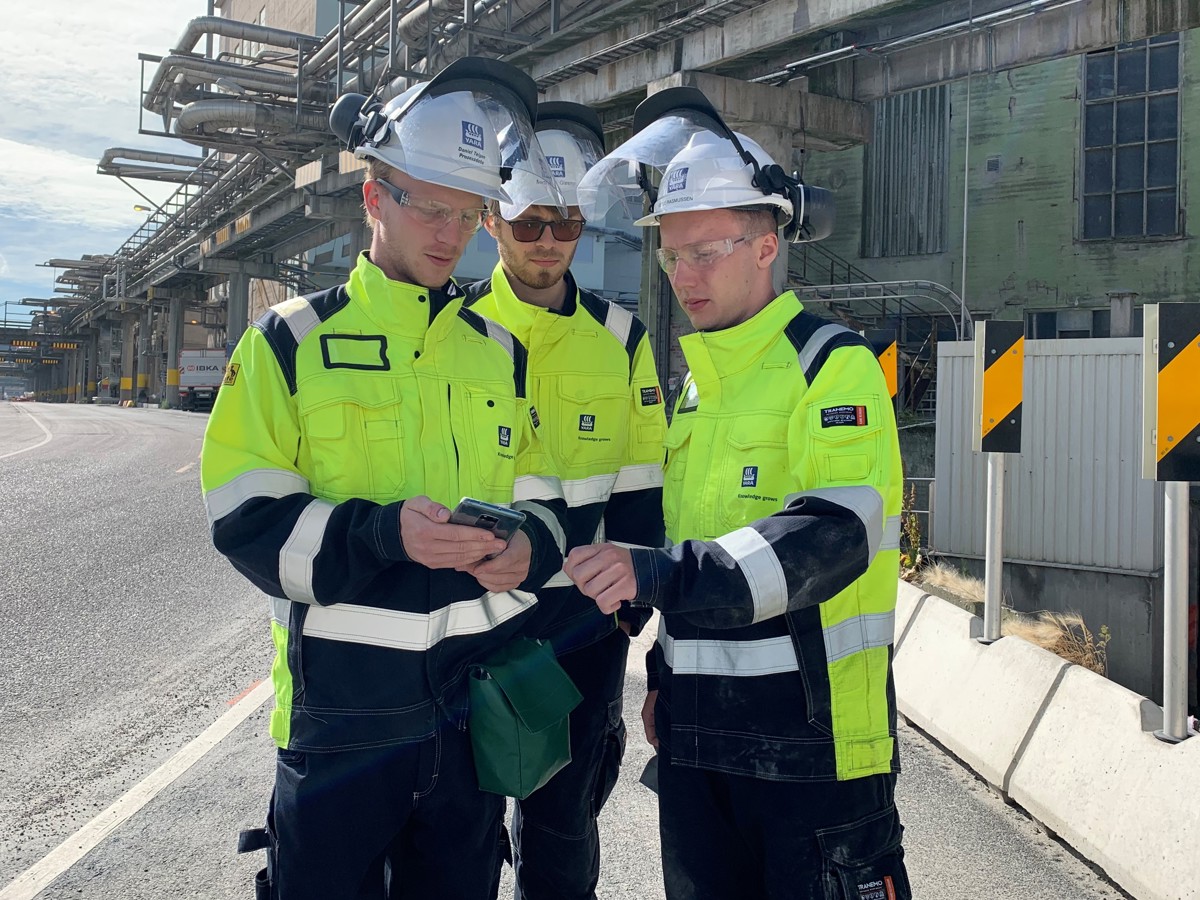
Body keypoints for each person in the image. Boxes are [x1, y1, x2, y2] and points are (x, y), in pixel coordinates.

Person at [200, 58, 571, 900]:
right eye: (427, 206)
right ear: (374, 198)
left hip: (472, 720)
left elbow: (545, 502)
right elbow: (243, 517)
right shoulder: (288, 342)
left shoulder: (502, 356)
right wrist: (379, 531)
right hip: (342, 728)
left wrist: (530, 552)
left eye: (468, 214)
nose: (450, 233)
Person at [565, 87, 911, 900]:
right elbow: (694, 540)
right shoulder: (697, 392)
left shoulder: (834, 366)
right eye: (671, 254)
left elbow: (826, 537)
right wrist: (666, 679)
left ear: (766, 245)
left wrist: (658, 575)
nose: (684, 275)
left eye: (706, 251)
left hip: (812, 756)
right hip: (698, 748)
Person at [462, 102, 667, 900]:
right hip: (475, 621)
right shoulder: (456, 330)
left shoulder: (623, 341)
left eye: (568, 224)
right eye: (531, 223)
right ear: (492, 221)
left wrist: (629, 611)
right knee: (465, 817)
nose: (550, 242)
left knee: (564, 822)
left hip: (583, 626)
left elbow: (644, 479)